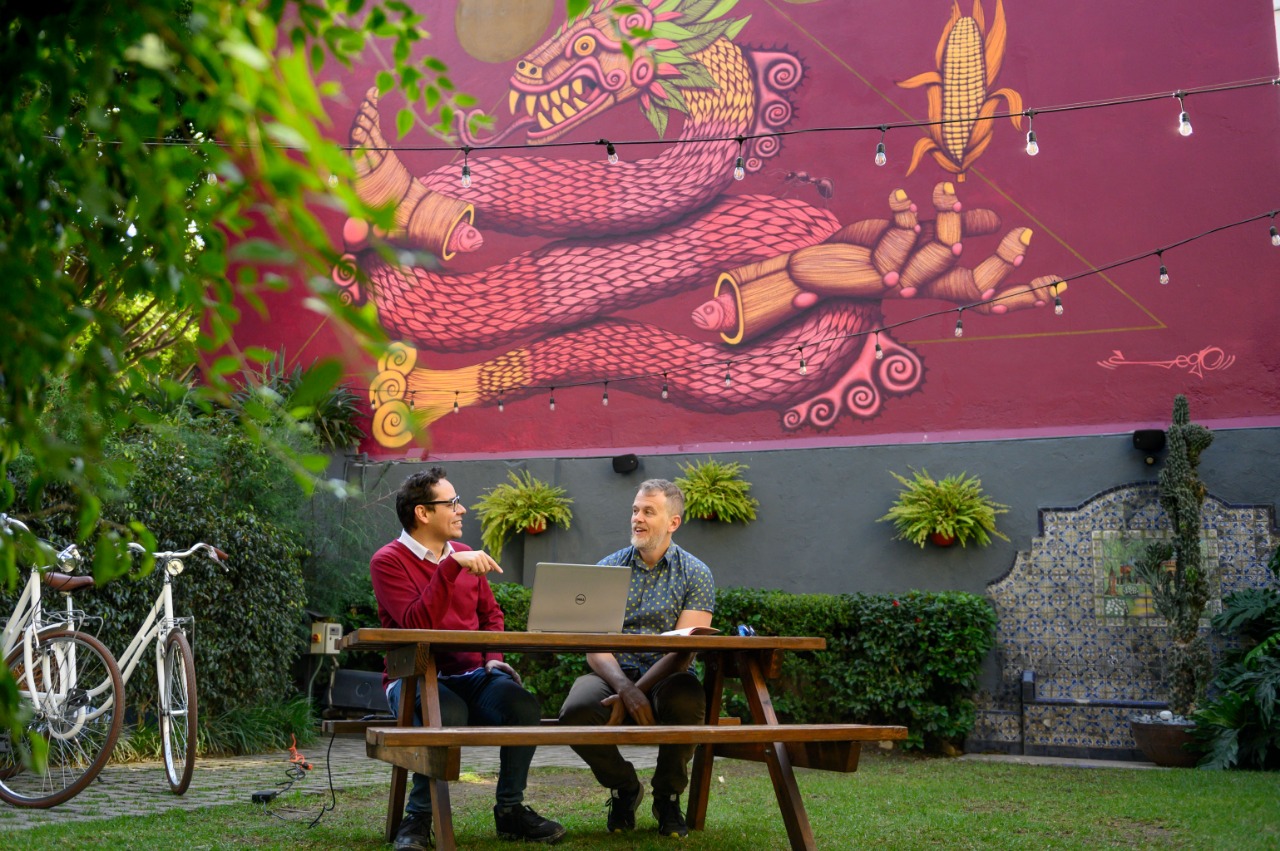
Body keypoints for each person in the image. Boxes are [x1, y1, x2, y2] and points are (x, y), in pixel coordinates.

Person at [370, 467, 566, 849]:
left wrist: (493, 657)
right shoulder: (388, 561)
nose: (462, 510)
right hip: (412, 678)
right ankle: (418, 819)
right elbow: (416, 625)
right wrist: (448, 568)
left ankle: (510, 811)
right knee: (446, 712)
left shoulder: (464, 556)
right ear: (423, 513)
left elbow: (491, 616)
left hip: (472, 676)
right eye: (453, 503)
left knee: (523, 707)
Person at [557, 478, 716, 838]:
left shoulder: (696, 573)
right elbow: (595, 643)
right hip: (613, 674)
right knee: (575, 712)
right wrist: (625, 688)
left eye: (648, 511)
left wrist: (636, 691)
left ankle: (668, 796)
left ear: (673, 522)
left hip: (668, 676)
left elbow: (683, 650)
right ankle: (625, 787)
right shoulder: (607, 567)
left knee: (688, 700)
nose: (637, 518)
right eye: (634, 510)